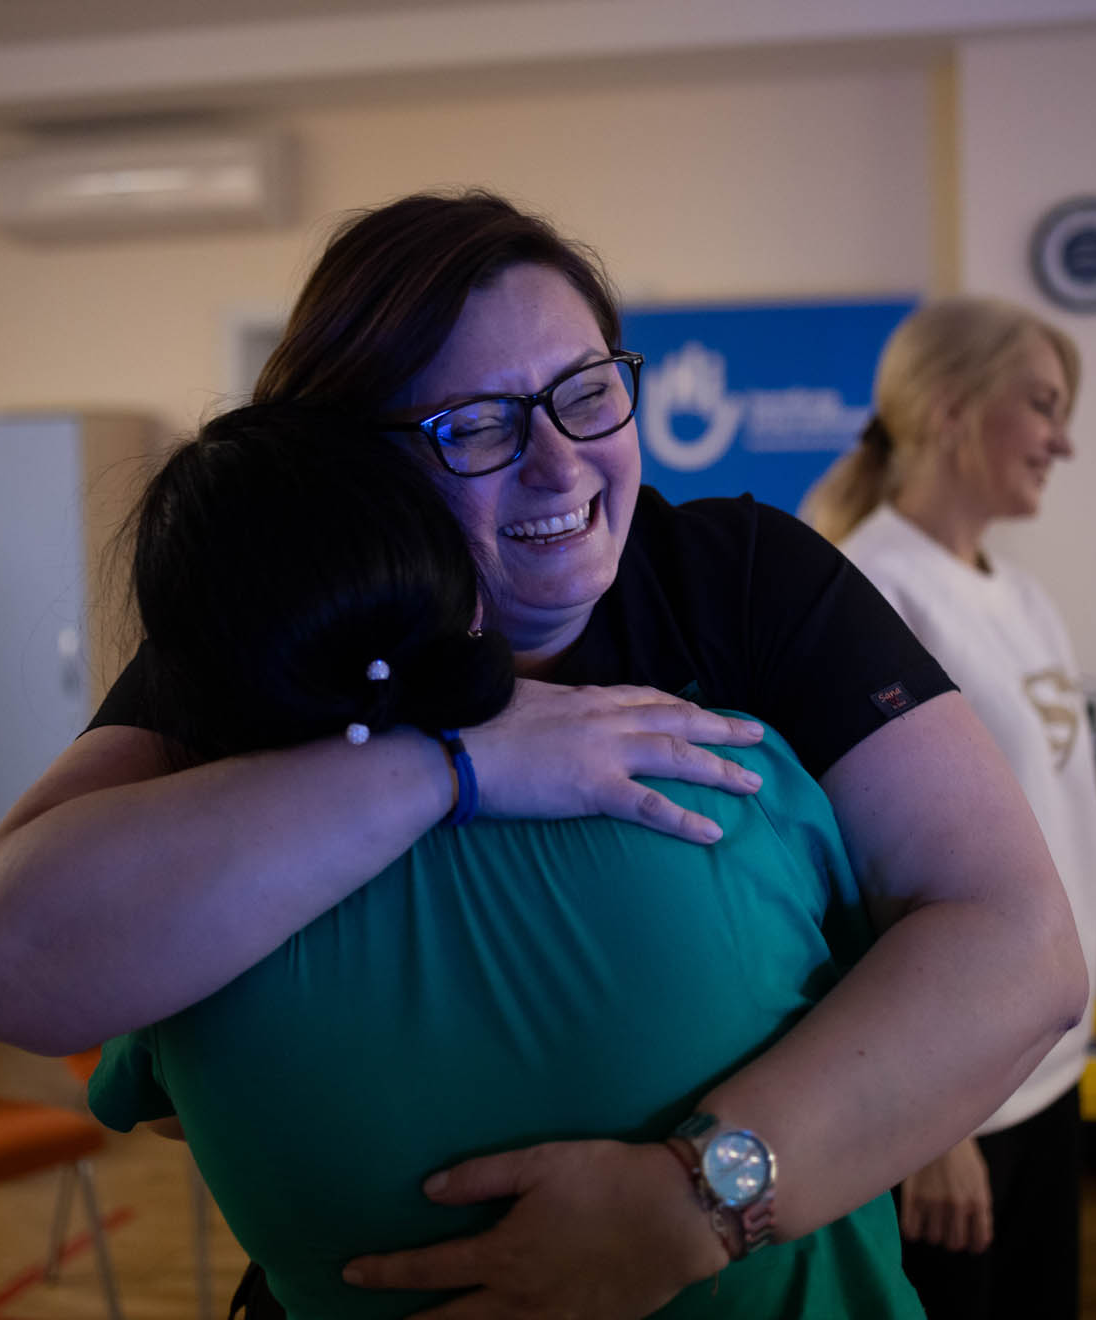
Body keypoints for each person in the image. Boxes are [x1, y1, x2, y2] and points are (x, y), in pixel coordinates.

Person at [0, 191, 1088, 1318]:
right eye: (478, 423)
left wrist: (697, 1203)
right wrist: (456, 764)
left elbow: (1020, 948)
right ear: (349, 469)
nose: (562, 463)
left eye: (588, 394)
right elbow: (9, 963)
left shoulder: (739, 584)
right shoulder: (270, 649)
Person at [87, 400, 924, 1316]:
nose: (557, 463)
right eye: (480, 425)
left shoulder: (179, 934)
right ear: (444, 569)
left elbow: (163, 1110)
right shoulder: (718, 770)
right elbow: (894, 979)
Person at [801, 295, 1096, 1320]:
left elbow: (1079, 836)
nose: (1063, 440)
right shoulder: (870, 588)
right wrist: (931, 1123)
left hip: (1048, 1070)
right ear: (950, 408)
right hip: (950, 1096)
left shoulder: (1024, 601)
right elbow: (841, 876)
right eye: (1043, 405)